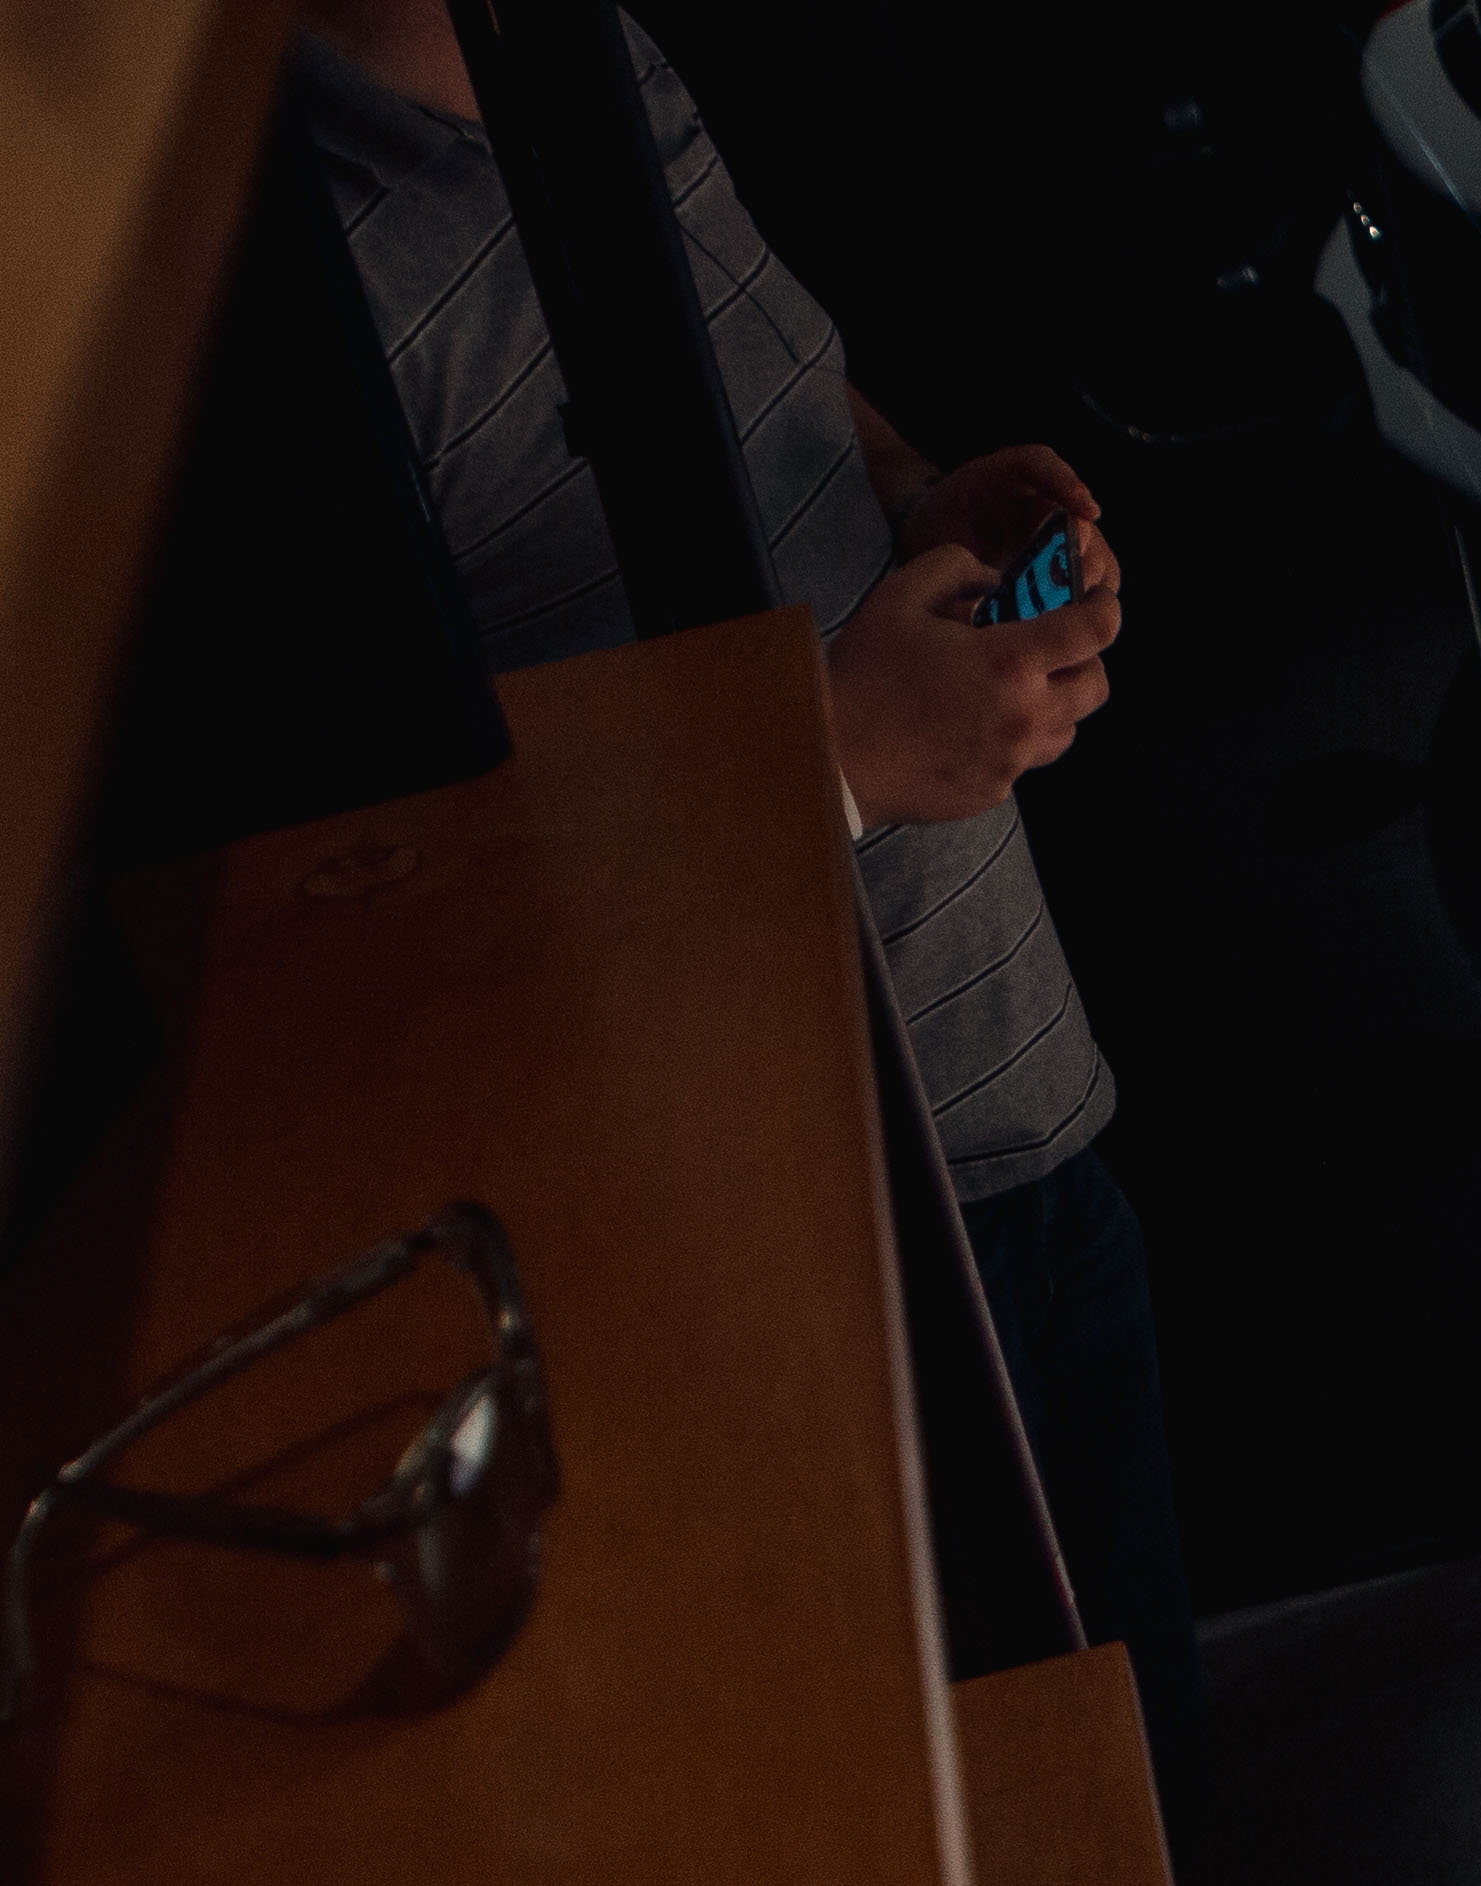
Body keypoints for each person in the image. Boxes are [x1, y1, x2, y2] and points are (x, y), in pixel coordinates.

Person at [286, 0, 1199, 1767]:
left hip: (1010, 1098)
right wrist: (830, 757)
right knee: (1016, 1838)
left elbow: (748, 366)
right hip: (805, 1239)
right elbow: (360, 902)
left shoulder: (567, 38)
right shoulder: (274, 279)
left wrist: (917, 493)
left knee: (1156, 1794)